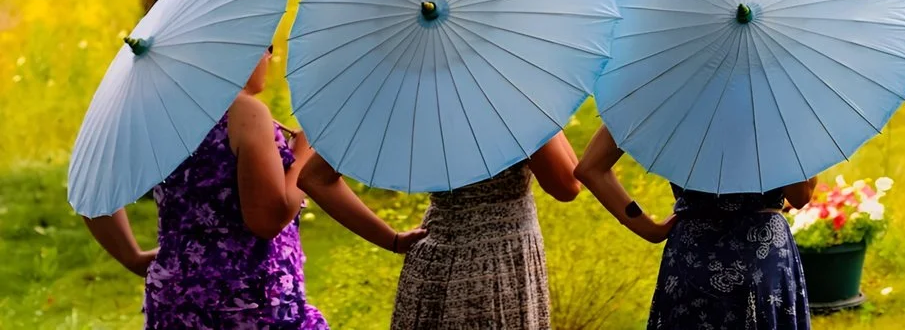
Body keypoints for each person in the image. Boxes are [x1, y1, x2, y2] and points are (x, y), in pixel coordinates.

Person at [83, 47, 329, 329]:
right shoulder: (245, 113)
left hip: (175, 300)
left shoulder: (157, 113)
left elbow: (92, 185)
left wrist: (133, 257)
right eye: (266, 47)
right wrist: (300, 158)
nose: (270, 57)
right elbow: (267, 219)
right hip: (249, 303)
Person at [298, 133, 579, 329]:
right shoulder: (507, 98)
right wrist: (545, 110)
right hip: (497, 268)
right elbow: (566, 185)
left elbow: (315, 178)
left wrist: (392, 240)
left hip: (434, 263)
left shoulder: (397, 93)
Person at [572, 126, 813, 329]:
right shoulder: (772, 98)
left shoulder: (663, 86)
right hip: (761, 260)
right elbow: (800, 195)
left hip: (691, 258)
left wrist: (649, 228)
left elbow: (590, 168)